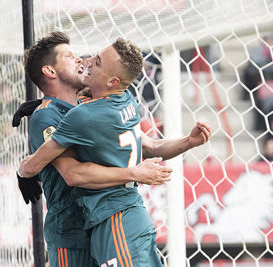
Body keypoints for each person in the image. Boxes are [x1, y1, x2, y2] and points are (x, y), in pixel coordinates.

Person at [18, 37, 211, 266]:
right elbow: (73, 174)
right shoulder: (49, 115)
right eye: (70, 56)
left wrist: (187, 142)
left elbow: (147, 145)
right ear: (50, 70)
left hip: (101, 224)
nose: (81, 59)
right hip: (71, 234)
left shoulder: (87, 106)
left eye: (95, 61)